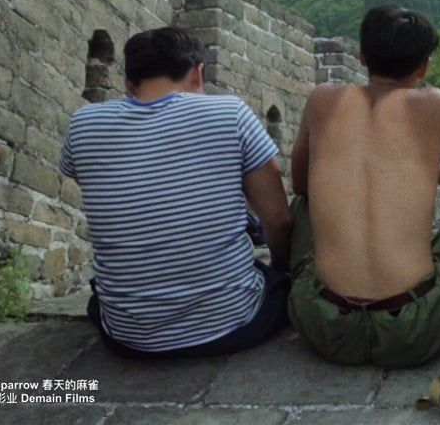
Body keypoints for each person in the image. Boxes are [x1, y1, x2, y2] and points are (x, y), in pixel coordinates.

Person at [287, 5, 440, 367]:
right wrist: (425, 168)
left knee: (303, 205)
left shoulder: (322, 99)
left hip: (325, 327)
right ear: (424, 67)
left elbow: (301, 185)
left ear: (362, 55)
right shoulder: (435, 105)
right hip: (414, 331)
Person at [60, 27, 291, 357]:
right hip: (233, 324)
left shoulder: (83, 124)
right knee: (276, 283)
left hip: (128, 336)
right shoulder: (230, 114)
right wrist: (281, 269)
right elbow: (279, 220)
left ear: (128, 83)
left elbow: (98, 187)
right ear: (198, 73)